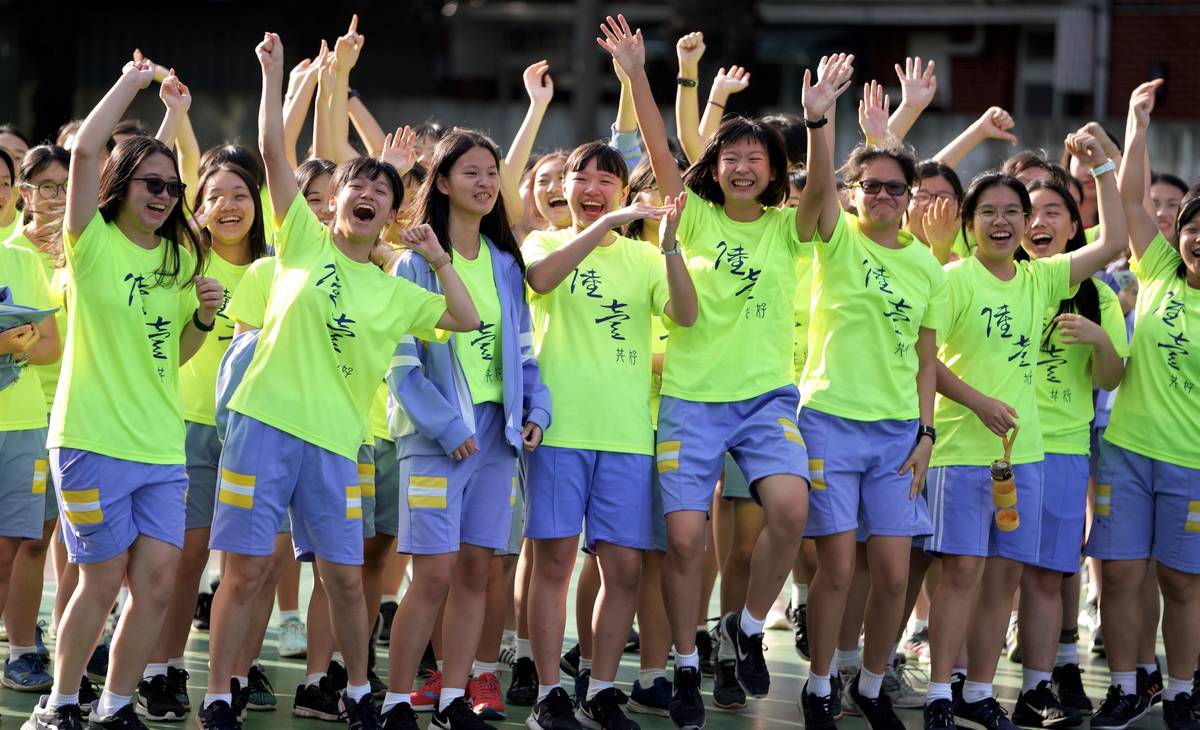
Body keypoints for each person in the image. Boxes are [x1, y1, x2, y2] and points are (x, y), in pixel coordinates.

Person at [200, 29, 479, 730]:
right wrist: (271, 75)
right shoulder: (300, 237)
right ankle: (217, 693)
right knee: (247, 571)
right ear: (336, 200)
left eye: (381, 193)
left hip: (337, 445)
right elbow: (272, 152)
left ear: (392, 213)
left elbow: (466, 318)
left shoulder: (393, 287)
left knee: (346, 579)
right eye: (357, 186)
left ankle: (358, 689)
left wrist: (439, 259)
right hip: (262, 427)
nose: (366, 197)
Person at [599, 15, 841, 729]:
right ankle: (682, 664)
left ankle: (745, 625)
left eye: (755, 157)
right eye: (730, 155)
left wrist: (819, 122)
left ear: (773, 171)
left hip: (765, 401)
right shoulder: (694, 215)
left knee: (791, 511)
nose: (740, 165)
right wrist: (636, 72)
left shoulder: (785, 229)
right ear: (717, 166)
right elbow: (654, 141)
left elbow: (823, 189)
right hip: (690, 402)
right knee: (681, 541)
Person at [23, 58, 222, 730]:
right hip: (88, 440)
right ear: (122, 185)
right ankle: (60, 704)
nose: (164, 195)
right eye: (152, 184)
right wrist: (133, 84)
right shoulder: (92, 242)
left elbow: (176, 355)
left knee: (158, 585)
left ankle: (113, 706)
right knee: (100, 580)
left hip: (160, 446)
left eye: (173, 187)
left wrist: (201, 317)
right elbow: (83, 149)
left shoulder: (179, 260)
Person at [923, 130, 1127, 730]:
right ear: (969, 223)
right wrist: (977, 401)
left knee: (1007, 574)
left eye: (1015, 211)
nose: (1005, 222)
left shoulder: (1041, 280)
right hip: (961, 451)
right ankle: (942, 692)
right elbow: (924, 361)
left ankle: (981, 693)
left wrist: (1105, 168)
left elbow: (1115, 240)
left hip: (1027, 458)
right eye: (989, 212)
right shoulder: (954, 278)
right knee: (961, 572)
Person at [521, 139, 696, 730]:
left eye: (607, 181)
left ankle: (598, 691)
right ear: (564, 189)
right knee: (553, 564)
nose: (593, 189)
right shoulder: (545, 241)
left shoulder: (643, 259)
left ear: (623, 191)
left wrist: (669, 245)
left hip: (626, 434)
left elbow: (686, 314)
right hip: (560, 429)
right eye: (582, 178)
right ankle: (548, 694)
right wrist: (607, 227)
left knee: (623, 569)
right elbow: (541, 281)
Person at [380, 128, 551, 730]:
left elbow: (525, 357)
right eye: (471, 172)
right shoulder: (412, 262)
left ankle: (454, 699)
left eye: (491, 172)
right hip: (435, 440)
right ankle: (398, 700)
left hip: (497, 440)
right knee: (432, 573)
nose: (484, 183)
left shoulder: (507, 264)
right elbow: (399, 365)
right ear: (443, 182)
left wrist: (536, 412)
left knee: (478, 568)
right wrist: (447, 426)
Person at [796, 78, 948, 730]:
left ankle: (872, 683)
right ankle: (819, 684)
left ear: (910, 199)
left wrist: (925, 436)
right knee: (835, 566)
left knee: (891, 574)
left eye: (895, 188)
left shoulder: (927, 267)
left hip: (895, 436)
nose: (883, 196)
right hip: (828, 420)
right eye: (871, 186)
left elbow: (925, 361)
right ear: (851, 193)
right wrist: (820, 119)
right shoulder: (836, 235)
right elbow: (821, 186)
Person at [1087, 78, 1200, 730]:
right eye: (1193, 228)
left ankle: (1182, 688)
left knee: (1182, 584)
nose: (1199, 240)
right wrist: (1135, 123)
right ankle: (1128, 685)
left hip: (1190, 467)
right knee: (1123, 578)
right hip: (1126, 455)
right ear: (1177, 236)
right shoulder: (1154, 271)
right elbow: (1130, 197)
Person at [1011, 180, 1127, 727]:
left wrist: (1100, 340)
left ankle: (1037, 688)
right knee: (978, 572)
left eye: (1052, 211)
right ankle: (960, 681)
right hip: (996, 444)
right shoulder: (1002, 276)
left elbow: (1112, 376)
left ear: (1074, 226)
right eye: (1027, 210)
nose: (1039, 220)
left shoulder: (1097, 294)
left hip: (1061, 450)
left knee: (1043, 576)